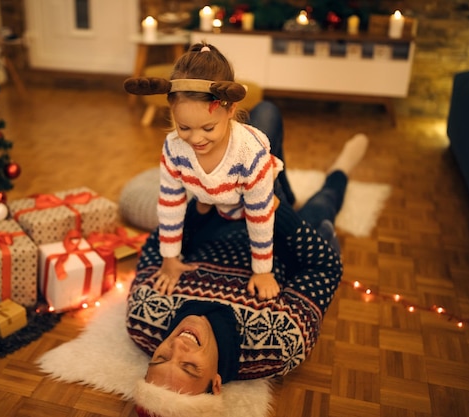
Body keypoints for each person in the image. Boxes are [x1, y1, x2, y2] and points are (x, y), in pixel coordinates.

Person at [125, 100, 369, 416]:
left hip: (215, 225)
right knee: (323, 210)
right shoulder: (277, 344)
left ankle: (276, 179)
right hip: (285, 245)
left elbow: (157, 244)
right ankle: (338, 170)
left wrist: (199, 210)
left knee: (265, 113)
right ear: (215, 384)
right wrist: (267, 204)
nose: (177, 346)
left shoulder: (143, 318)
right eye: (189, 366)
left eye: (159, 358)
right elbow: (325, 268)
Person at [124, 42, 282, 301]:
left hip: (261, 193)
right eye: (184, 127)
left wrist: (263, 270)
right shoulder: (174, 147)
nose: (195, 139)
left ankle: (286, 184)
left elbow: (260, 216)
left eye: (208, 128)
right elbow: (170, 202)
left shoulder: (250, 155)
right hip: (218, 202)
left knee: (268, 116)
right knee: (199, 213)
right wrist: (169, 258)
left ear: (230, 109)